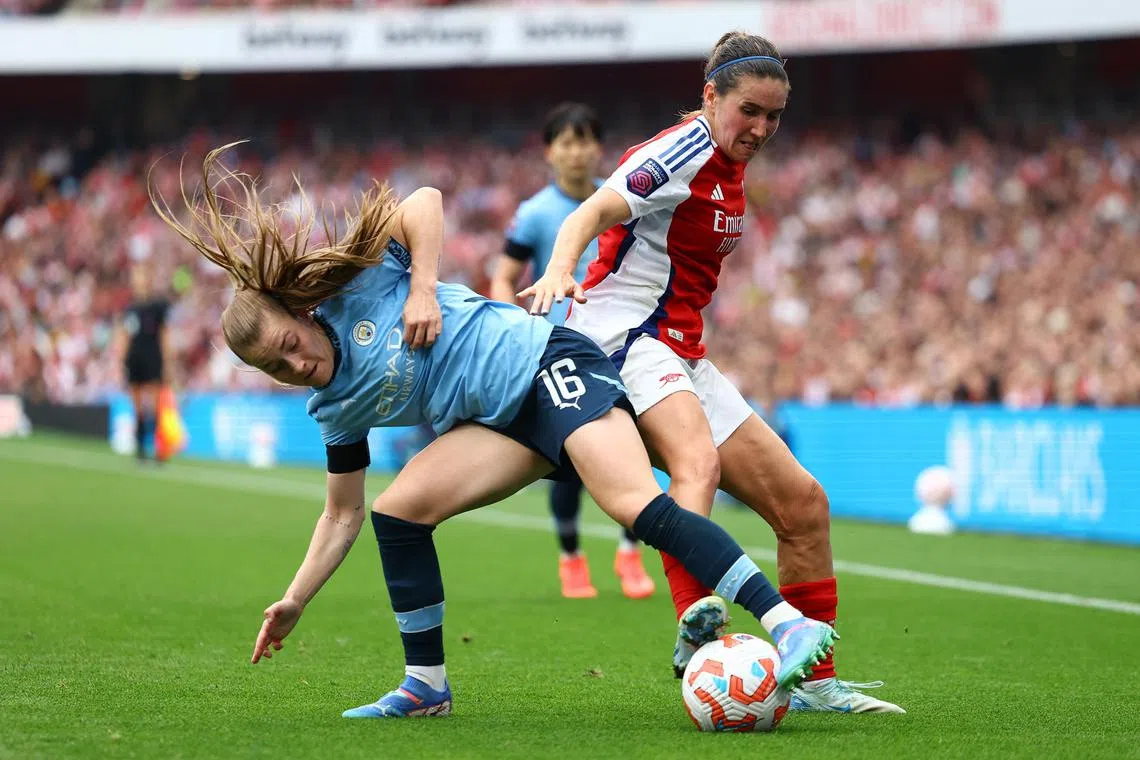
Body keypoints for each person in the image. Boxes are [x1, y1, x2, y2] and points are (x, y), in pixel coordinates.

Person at [151, 143, 836, 719]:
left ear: (299, 310)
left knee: (633, 505)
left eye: (290, 342)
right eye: (278, 367)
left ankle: (786, 622)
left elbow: (422, 201)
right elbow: (341, 514)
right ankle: (427, 686)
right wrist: (295, 598)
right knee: (397, 514)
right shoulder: (335, 405)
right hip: (504, 422)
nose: (297, 363)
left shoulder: (353, 286)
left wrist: (422, 285)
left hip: (549, 362)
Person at [520, 32, 904, 714]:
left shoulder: (728, 158)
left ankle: (817, 683)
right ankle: (694, 624)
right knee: (697, 465)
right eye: (749, 110)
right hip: (623, 336)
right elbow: (591, 210)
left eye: (775, 116)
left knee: (804, 506)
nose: (761, 128)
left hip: (679, 348)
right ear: (710, 96)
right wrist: (556, 270)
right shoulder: (679, 150)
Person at [490, 103, 654, 601]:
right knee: (567, 460)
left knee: (637, 447)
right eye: (566, 141)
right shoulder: (536, 213)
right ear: (549, 151)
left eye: (585, 140)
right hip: (559, 348)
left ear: (598, 148)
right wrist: (516, 325)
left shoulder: (618, 200)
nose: (576, 151)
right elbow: (503, 275)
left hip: (618, 344)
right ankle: (571, 559)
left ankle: (630, 552)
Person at [117, 263, 172, 463]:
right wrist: (122, 360)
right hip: (135, 358)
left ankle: (160, 448)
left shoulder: (158, 307)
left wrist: (167, 361)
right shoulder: (130, 309)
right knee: (138, 406)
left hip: (153, 356)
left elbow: (165, 335)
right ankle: (140, 448)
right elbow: (124, 335)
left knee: (157, 405)